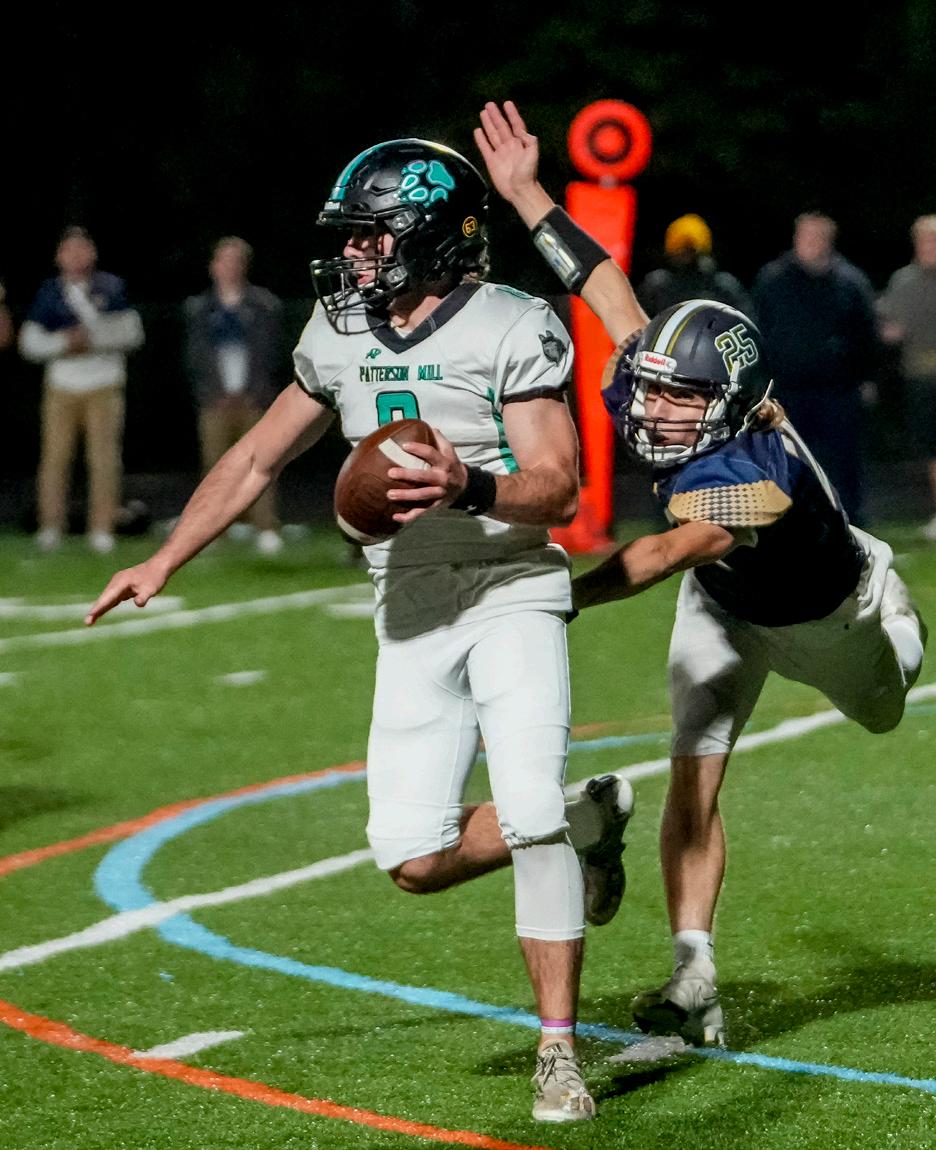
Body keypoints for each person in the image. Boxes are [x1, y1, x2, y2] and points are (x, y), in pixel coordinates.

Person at [86, 138, 636, 1123]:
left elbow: (559, 487)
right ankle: (588, 818)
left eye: (372, 236)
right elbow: (256, 457)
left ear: (433, 237)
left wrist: (468, 483)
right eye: (350, 238)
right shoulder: (337, 330)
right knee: (413, 861)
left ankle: (557, 1049)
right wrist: (164, 558)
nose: (353, 254)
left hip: (509, 586)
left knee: (526, 811)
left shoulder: (511, 322)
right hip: (408, 601)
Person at [475, 99, 927, 1049]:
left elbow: (661, 551)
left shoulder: (756, 474)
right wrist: (526, 195)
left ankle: (893, 601)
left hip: (826, 616)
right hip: (723, 606)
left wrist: (556, 596)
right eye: (651, 385)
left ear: (727, 405)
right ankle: (694, 974)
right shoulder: (672, 388)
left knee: (883, 709)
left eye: (678, 396)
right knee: (693, 769)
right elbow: (601, 283)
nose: (651, 407)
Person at [18, 226, 144, 553]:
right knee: (55, 458)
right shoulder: (49, 293)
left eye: (81, 249)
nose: (75, 256)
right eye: (69, 250)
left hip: (104, 383)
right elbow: (29, 342)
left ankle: (102, 527)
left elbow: (132, 332)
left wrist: (93, 340)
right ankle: (51, 526)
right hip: (62, 385)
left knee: (104, 459)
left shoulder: (111, 287)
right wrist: (63, 343)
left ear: (92, 253)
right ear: (59, 257)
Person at [751, 213, 879, 526]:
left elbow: (866, 333)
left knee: (843, 460)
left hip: (839, 388)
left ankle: (849, 522)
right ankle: (788, 522)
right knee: (786, 458)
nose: (811, 243)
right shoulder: (773, 279)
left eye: (818, 237)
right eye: (806, 236)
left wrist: (867, 378)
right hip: (786, 388)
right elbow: (758, 328)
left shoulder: (850, 282)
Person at [184, 236, 287, 555]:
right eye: (224, 260)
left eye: (235, 261)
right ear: (213, 266)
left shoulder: (264, 305)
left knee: (261, 464)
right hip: (215, 401)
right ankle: (211, 530)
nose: (229, 267)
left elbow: (272, 354)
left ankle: (265, 527)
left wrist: (255, 392)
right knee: (214, 468)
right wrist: (212, 393)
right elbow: (195, 357)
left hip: (253, 399)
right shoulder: (200, 308)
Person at [877, 214, 936, 542]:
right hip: (920, 376)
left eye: (935, 243)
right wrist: (888, 332)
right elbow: (889, 324)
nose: (928, 249)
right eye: (923, 243)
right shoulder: (903, 281)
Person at [636, 213, 751, 317]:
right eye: (680, 249)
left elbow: (745, 321)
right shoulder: (657, 286)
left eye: (689, 250)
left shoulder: (722, 286)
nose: (684, 255)